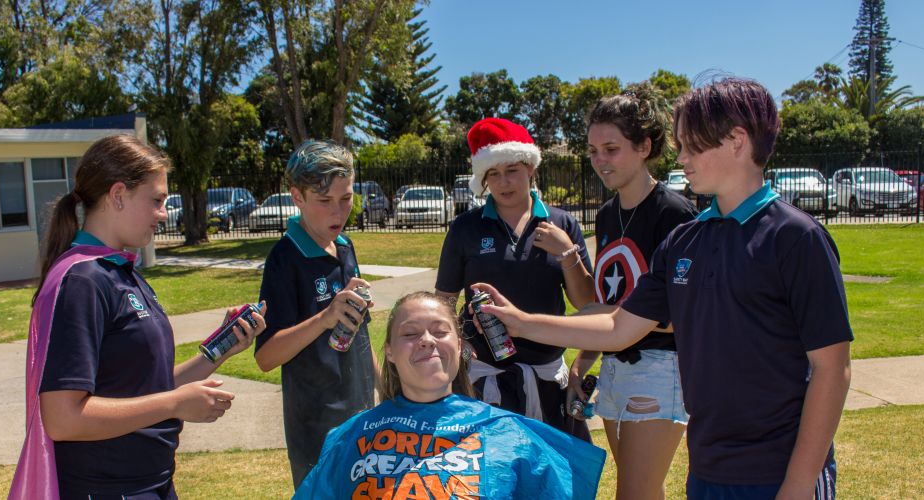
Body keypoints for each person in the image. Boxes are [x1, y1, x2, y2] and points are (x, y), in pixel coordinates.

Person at [473, 77, 851, 500]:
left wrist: (799, 484)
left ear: (737, 141)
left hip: (780, 471)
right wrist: (521, 323)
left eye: (692, 145)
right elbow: (619, 327)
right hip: (709, 467)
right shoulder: (685, 242)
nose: (682, 158)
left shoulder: (795, 237)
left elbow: (832, 369)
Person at [9, 134, 266, 500]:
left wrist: (220, 349)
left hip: (150, 482)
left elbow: (146, 387)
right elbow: (63, 417)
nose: (164, 213)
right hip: (107, 488)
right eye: (157, 200)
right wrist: (176, 404)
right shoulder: (83, 280)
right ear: (118, 195)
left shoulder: (120, 271)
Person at [294, 292, 606, 499]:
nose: (426, 341)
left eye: (440, 331)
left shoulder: (510, 434)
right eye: (410, 333)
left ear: (459, 346)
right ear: (389, 351)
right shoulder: (350, 436)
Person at [568, 82, 698, 500]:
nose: (600, 161)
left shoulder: (675, 213)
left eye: (611, 148)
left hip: (661, 367)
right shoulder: (607, 214)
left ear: (644, 146)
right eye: (592, 151)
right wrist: (584, 360)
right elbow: (612, 299)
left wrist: (596, 318)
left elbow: (685, 311)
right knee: (644, 490)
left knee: (634, 493)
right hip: (614, 367)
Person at [435, 117, 597, 441]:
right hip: (485, 381)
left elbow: (587, 304)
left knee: (551, 482)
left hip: (549, 378)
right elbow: (444, 300)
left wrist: (568, 253)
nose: (504, 182)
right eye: (493, 174)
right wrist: (460, 344)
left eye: (512, 170)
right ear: (483, 179)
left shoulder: (561, 222)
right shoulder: (465, 228)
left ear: (530, 168)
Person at [254, 139, 377, 488]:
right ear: (298, 197)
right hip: (316, 427)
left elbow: (359, 332)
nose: (338, 212)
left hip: (362, 414)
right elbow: (266, 356)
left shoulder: (344, 246)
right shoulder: (284, 259)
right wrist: (324, 319)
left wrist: (388, 387)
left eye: (346, 198)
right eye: (324, 201)